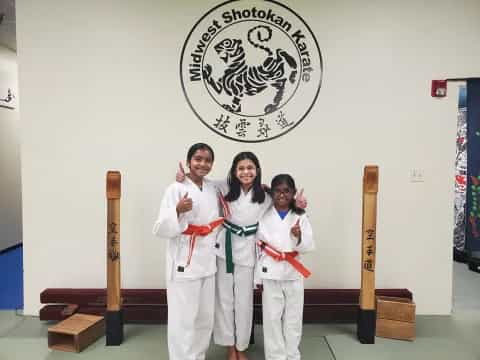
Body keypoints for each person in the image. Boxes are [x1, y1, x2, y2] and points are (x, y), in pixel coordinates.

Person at [176, 153, 307, 360]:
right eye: (241, 168)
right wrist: (184, 180)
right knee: (224, 301)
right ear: (234, 172)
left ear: (257, 170)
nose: (246, 172)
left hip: (249, 251)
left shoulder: (265, 195)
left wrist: (299, 206)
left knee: (244, 302)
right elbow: (201, 184)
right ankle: (230, 347)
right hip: (224, 248)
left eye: (250, 168)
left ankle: (242, 345)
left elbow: (285, 205)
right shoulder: (223, 188)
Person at [152, 143, 223, 360]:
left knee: (204, 317)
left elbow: (238, 184)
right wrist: (176, 210)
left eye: (207, 160)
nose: (203, 164)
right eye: (198, 159)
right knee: (183, 318)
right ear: (188, 161)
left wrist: (265, 188)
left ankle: (198, 356)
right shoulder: (176, 188)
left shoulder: (213, 188)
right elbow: (160, 228)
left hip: (208, 260)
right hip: (185, 260)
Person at [256, 174, 315, 360]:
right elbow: (258, 246)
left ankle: (292, 354)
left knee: (293, 317)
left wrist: (298, 236)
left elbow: (308, 245)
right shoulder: (264, 215)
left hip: (293, 272)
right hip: (270, 271)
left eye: (286, 191)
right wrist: (257, 277)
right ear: (272, 193)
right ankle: (275, 356)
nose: (282, 195)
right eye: (278, 191)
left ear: (294, 193)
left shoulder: (300, 216)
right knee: (272, 318)